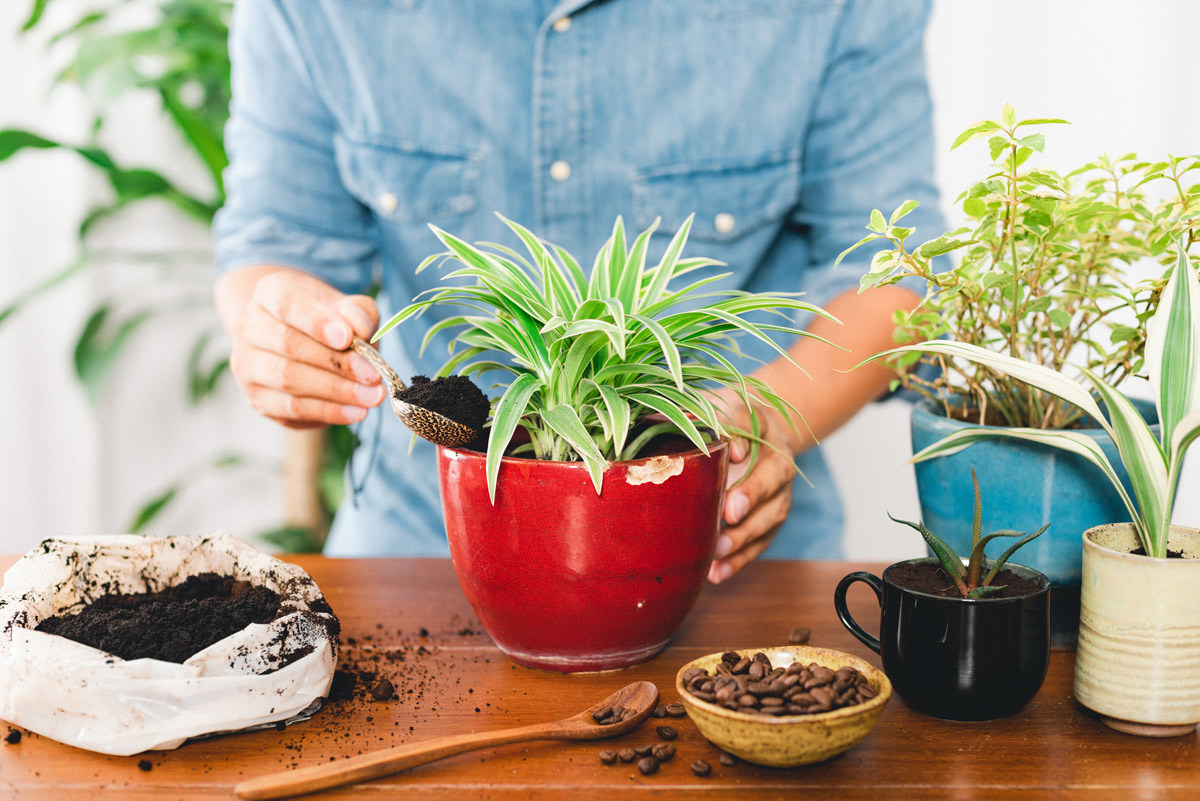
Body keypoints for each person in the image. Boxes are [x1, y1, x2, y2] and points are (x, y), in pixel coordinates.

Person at [213, 0, 943, 581]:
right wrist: (282, 331)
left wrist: (769, 418)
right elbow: (276, 242)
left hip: (724, 553)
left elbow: (893, 279)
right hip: (421, 553)